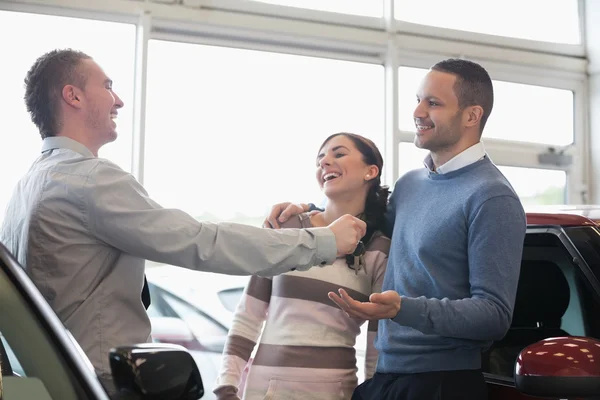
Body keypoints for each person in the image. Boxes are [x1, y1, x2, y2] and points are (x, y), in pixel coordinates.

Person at [0, 49, 366, 379]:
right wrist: (324, 241)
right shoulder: (89, 180)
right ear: (73, 95)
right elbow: (201, 242)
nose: (119, 100)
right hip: (100, 382)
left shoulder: (26, 187)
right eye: (108, 86)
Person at [264, 58, 527, 400]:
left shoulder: (492, 197)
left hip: (443, 382)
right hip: (387, 377)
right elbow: (363, 227)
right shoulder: (411, 184)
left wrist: (402, 308)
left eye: (433, 103)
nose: (417, 111)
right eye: (418, 99)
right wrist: (307, 211)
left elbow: (493, 315)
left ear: (471, 116)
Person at [214, 133, 391, 400]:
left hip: (336, 391)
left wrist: (374, 393)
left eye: (338, 154)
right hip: (266, 391)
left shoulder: (379, 248)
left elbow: (378, 342)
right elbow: (249, 314)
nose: (325, 163)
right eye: (320, 159)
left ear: (371, 171)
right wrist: (227, 385)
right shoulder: (287, 227)